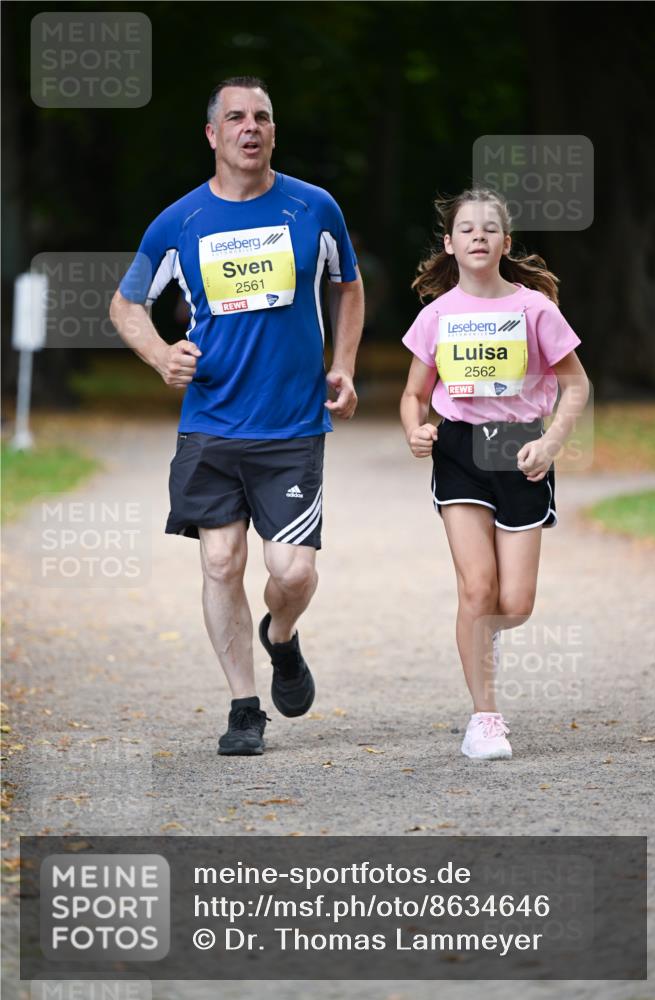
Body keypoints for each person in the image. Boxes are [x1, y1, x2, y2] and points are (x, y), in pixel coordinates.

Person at [110, 76, 364, 756]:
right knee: (220, 561)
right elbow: (125, 305)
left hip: (291, 426)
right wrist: (161, 355)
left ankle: (280, 638)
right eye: (235, 118)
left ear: (273, 132)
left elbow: (349, 285)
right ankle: (243, 708)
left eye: (261, 117)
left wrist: (343, 364)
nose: (250, 127)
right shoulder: (180, 223)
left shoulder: (313, 208)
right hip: (212, 421)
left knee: (293, 573)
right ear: (212, 134)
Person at [400, 188, 589, 760]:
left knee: (517, 601)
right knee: (477, 588)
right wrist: (416, 429)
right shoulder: (436, 317)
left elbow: (577, 385)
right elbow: (414, 395)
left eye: (489, 228)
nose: (478, 236)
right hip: (459, 449)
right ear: (450, 244)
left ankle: (485, 633)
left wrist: (551, 442)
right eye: (466, 228)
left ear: (506, 243)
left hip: (520, 447)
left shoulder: (534, 309)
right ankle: (484, 717)